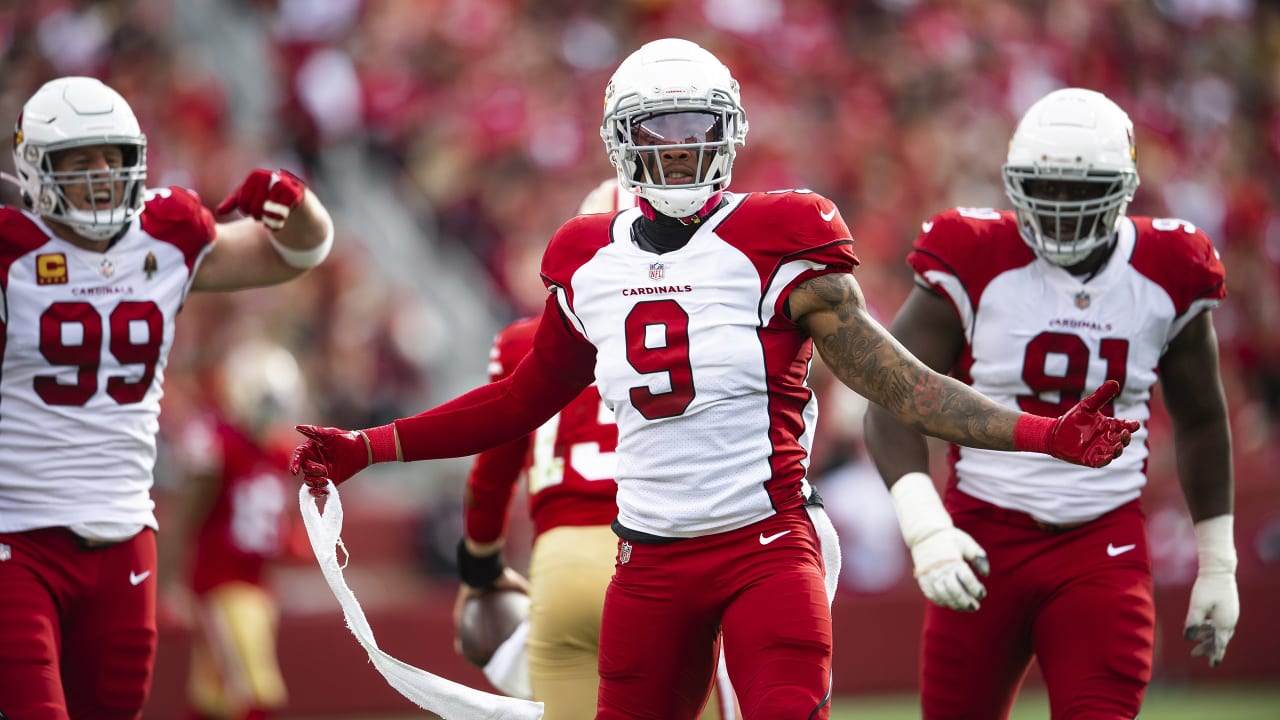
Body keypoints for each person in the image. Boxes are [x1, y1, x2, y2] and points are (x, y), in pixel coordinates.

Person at [290, 40, 1137, 720]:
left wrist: (1041, 433)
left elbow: (903, 384)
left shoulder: (783, 237)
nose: (679, 147)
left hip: (762, 553)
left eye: (695, 126)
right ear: (622, 144)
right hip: (646, 566)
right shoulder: (588, 257)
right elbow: (518, 402)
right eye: (657, 131)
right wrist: (370, 447)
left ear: (729, 131)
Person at [862, 87, 1238, 719]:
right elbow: (891, 397)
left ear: (1123, 189)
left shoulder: (1170, 265)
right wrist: (926, 527)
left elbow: (1202, 419)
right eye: (1045, 188)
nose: (1060, 208)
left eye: (1079, 190)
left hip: (1102, 541)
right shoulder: (975, 252)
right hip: (982, 534)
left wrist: (1219, 561)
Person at [0, 75, 335, 720]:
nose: (100, 175)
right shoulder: (12, 253)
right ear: (36, 168)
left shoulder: (164, 237)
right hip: (21, 538)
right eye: (78, 160)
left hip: (126, 537)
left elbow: (297, 253)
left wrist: (297, 202)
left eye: (111, 157)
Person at [453, 178, 743, 719]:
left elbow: (490, 478)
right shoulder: (704, 329)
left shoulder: (522, 341)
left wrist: (480, 570)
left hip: (560, 564)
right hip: (662, 550)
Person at [162, 340, 308, 720]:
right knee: (258, 686)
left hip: (257, 584)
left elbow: (281, 521)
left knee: (212, 694)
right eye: (266, 401)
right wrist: (169, 585)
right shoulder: (220, 445)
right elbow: (187, 517)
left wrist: (289, 540)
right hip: (219, 582)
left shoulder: (279, 452)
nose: (270, 413)